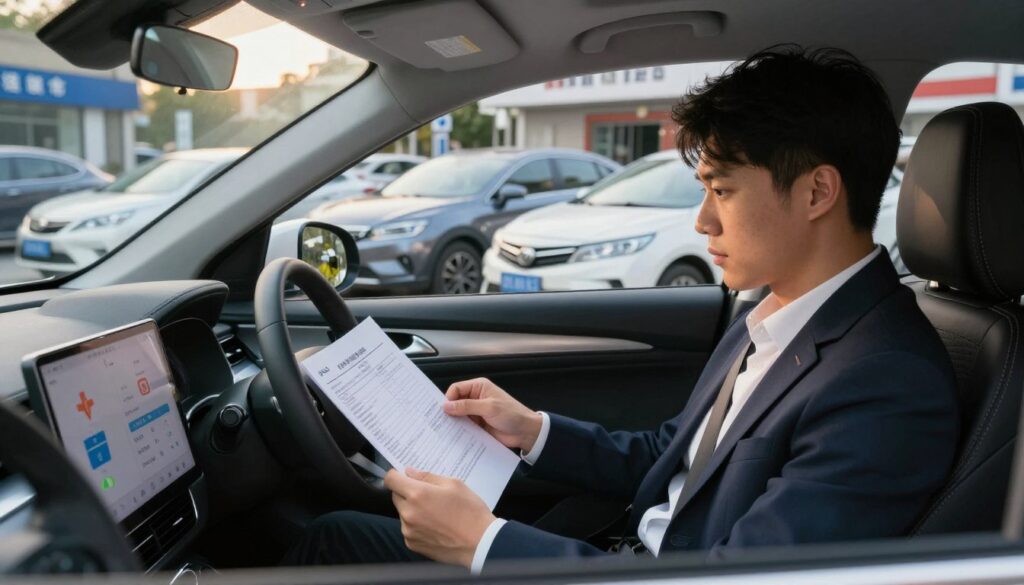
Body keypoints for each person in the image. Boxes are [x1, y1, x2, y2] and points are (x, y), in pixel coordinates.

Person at [283, 46, 959, 572]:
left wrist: (483, 543)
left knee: (331, 544)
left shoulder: (887, 380)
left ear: (816, 193)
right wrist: (532, 428)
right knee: (337, 535)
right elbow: (673, 455)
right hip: (623, 554)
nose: (701, 222)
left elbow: (743, 579)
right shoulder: (776, 309)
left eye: (721, 190)